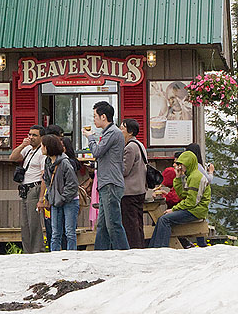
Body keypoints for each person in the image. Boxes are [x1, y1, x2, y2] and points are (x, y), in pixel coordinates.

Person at [83, 101, 130, 250]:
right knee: (102, 224)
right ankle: (100, 253)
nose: (94, 119)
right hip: (107, 181)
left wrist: (90, 137)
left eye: (95, 116)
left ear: (103, 117)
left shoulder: (113, 132)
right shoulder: (110, 132)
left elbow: (97, 152)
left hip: (110, 182)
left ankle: (123, 253)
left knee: (113, 223)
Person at [148, 149, 211, 248]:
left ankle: (161, 248)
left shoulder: (195, 177)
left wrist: (173, 209)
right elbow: (182, 195)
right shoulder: (189, 176)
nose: (180, 167)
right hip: (193, 209)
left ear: (189, 163)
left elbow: (191, 202)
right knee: (162, 219)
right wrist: (177, 178)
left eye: (182, 164)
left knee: (164, 220)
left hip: (196, 211)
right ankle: (154, 247)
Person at [9, 125, 47, 253]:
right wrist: (21, 145)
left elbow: (44, 176)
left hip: (35, 187)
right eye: (29, 134)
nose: (31, 137)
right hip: (25, 188)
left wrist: (41, 197)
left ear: (41, 137)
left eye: (34, 135)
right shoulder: (28, 149)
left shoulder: (43, 152)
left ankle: (38, 250)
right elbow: (13, 157)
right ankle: (27, 251)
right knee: (25, 224)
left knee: (33, 222)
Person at [41, 135, 79, 251]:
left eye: (43, 145)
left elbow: (72, 184)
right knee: (55, 233)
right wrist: (50, 196)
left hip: (69, 201)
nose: (41, 148)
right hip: (55, 201)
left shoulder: (65, 163)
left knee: (69, 232)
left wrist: (62, 198)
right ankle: (54, 256)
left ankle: (71, 255)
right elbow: (47, 180)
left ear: (48, 147)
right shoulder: (47, 161)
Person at [120, 118, 147, 249]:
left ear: (130, 132)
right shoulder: (140, 145)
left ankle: (134, 248)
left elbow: (125, 170)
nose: (120, 131)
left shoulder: (130, 147)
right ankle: (140, 246)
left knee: (130, 224)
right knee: (138, 222)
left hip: (130, 191)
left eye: (122, 128)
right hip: (140, 189)